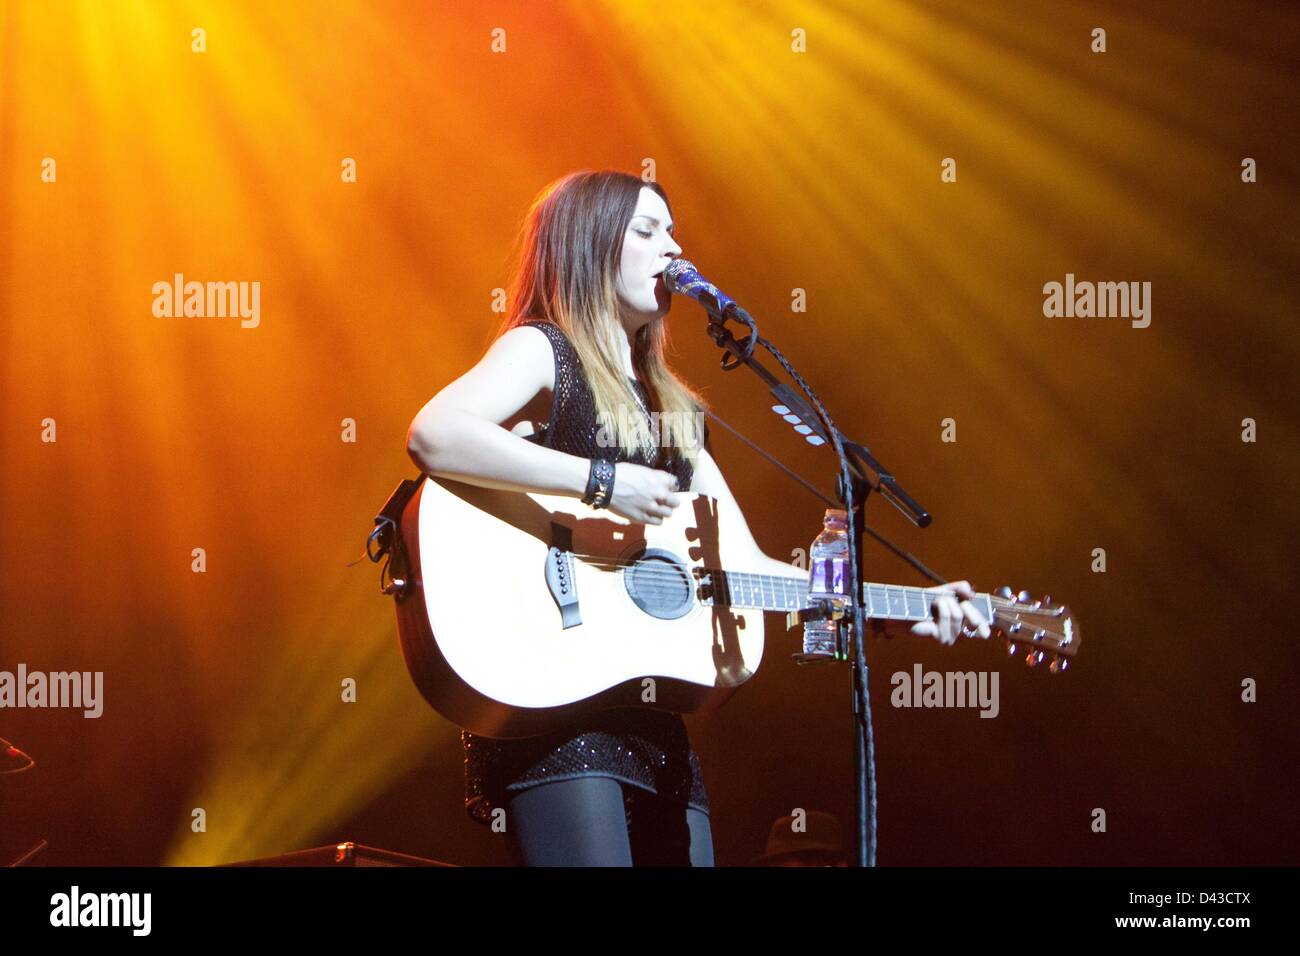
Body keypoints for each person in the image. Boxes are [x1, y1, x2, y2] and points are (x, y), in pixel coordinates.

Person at [404, 169, 990, 866]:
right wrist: (600, 481)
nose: (674, 250)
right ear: (591, 247)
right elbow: (435, 434)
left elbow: (746, 570)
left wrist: (899, 608)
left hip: (656, 733)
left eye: (674, 232)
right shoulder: (544, 351)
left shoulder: (674, 406)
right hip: (552, 714)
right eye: (648, 232)